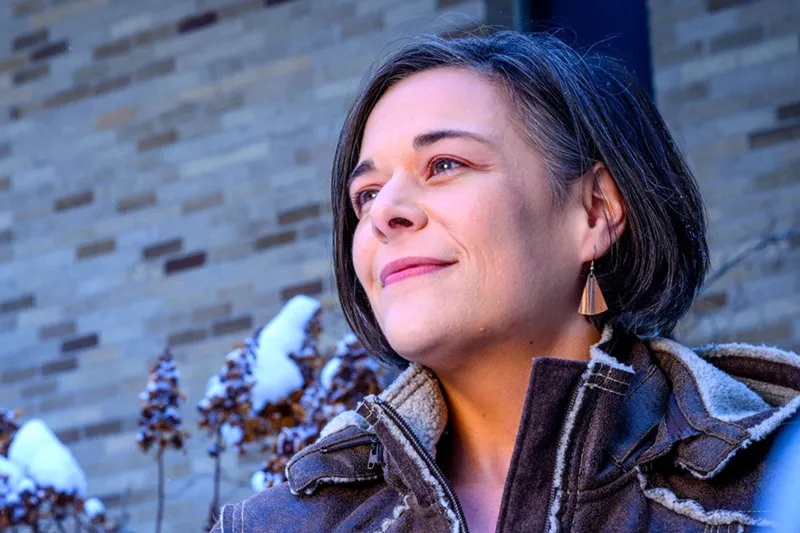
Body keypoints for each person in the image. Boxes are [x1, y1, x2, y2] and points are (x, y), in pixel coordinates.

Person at [212, 30, 800, 533]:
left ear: (595, 211)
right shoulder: (276, 525)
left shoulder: (773, 487)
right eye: (366, 194)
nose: (382, 213)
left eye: (444, 165)